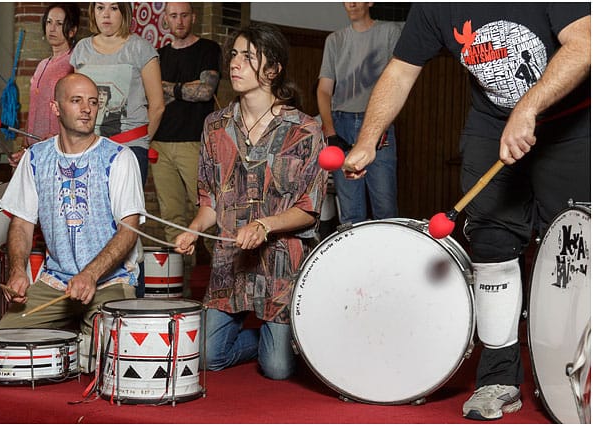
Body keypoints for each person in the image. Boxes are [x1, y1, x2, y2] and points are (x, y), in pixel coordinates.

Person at [344, 4, 590, 421]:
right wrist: (369, 139)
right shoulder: (432, 8)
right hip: (492, 123)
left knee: (571, 249)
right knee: (491, 243)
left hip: (573, 122)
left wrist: (528, 109)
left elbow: (584, 42)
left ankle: (572, 370)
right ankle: (499, 380)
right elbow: (401, 70)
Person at [174, 23, 328, 380]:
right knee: (210, 357)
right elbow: (211, 199)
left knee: (276, 369)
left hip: (281, 266)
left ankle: (293, 340)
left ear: (272, 70)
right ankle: (275, 339)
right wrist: (194, 230)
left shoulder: (304, 129)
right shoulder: (215, 125)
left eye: (249, 57)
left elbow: (309, 209)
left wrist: (265, 225)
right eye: (234, 55)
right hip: (232, 263)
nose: (235, 64)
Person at [0, 73, 145, 372]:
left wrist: (90, 275)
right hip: (56, 282)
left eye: (93, 102)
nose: (87, 109)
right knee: (4, 347)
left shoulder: (119, 158)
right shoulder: (35, 158)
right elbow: (22, 224)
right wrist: (17, 272)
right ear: (55, 108)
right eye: (76, 101)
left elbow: (128, 229)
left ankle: (81, 336)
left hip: (109, 281)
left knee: (101, 364)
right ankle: (73, 332)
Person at [151, 2, 222, 297]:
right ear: (165, 19)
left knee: (204, 214)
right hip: (161, 143)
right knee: (170, 219)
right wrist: (184, 89)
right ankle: (178, 293)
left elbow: (205, 91)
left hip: (195, 142)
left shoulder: (208, 48)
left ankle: (219, 289)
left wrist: (170, 88)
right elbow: (151, 94)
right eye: (173, 16)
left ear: (192, 17)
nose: (179, 21)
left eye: (184, 15)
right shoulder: (159, 55)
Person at [316, 2, 402, 225]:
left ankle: (389, 259)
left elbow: (399, 81)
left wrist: (382, 125)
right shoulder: (334, 40)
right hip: (340, 123)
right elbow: (324, 90)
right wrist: (330, 132)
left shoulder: (389, 31)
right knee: (351, 212)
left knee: (385, 208)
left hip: (375, 122)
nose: (351, 3)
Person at [70, 2, 165, 186]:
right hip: (88, 147)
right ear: (93, 12)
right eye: (100, 8)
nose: (106, 14)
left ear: (124, 13)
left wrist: (141, 142)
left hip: (128, 146)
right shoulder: (82, 49)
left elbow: (158, 106)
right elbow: (77, 102)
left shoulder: (140, 48)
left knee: (124, 213)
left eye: (113, 8)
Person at [9, 3, 81, 167]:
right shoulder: (42, 64)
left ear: (72, 30)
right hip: (36, 150)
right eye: (49, 22)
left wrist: (60, 136)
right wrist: (24, 147)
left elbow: (79, 108)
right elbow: (34, 108)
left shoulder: (75, 61)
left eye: (59, 23)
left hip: (60, 150)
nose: (52, 28)